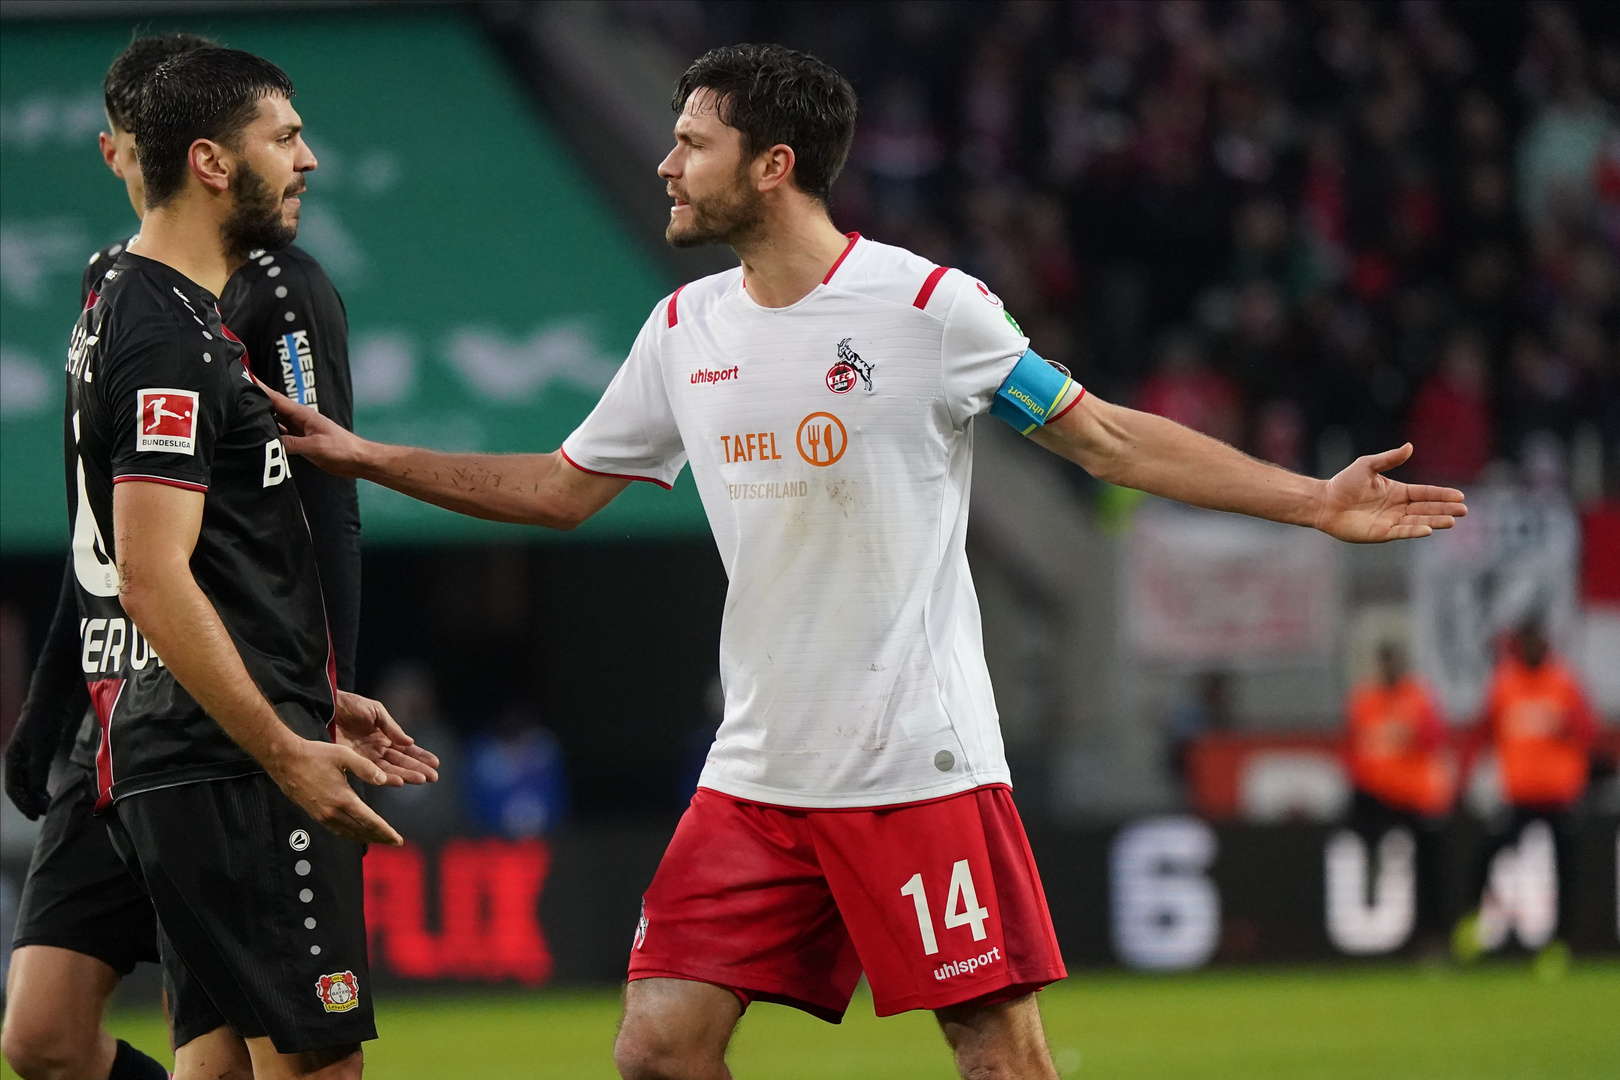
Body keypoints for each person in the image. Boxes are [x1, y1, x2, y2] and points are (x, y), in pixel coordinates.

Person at [274, 44, 1467, 1080]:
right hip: (758, 773)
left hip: (918, 764)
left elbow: (1102, 437)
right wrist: (366, 455)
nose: (666, 164)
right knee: (657, 1048)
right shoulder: (684, 329)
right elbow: (559, 489)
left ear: (773, 164)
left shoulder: (932, 309)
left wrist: (1314, 502)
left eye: (692, 142)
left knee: (997, 1054)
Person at [53, 46, 434, 1080]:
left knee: (221, 1065)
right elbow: (149, 572)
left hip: (206, 734)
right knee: (315, 1070)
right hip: (223, 754)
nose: (308, 160)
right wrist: (283, 743)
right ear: (215, 164)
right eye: (285, 138)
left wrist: (324, 692)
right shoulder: (171, 338)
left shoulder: (154, 306)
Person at [1460, 617, 1598, 957]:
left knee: (1565, 870)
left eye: (1537, 642)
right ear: (1518, 645)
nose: (1533, 648)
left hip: (1560, 795)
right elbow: (1483, 732)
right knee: (1488, 854)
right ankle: (1471, 919)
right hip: (1519, 795)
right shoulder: (1504, 685)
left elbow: (1589, 733)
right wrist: (1463, 778)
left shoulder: (1564, 682)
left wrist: (1570, 725)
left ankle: (1560, 943)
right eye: (1526, 642)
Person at [1342, 643, 1453, 942]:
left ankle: (1433, 934)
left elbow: (1435, 739)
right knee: (1356, 821)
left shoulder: (1419, 697)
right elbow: (1353, 747)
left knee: (1430, 866)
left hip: (1415, 794)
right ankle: (1373, 864)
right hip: (1379, 792)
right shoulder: (1364, 700)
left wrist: (1411, 731)